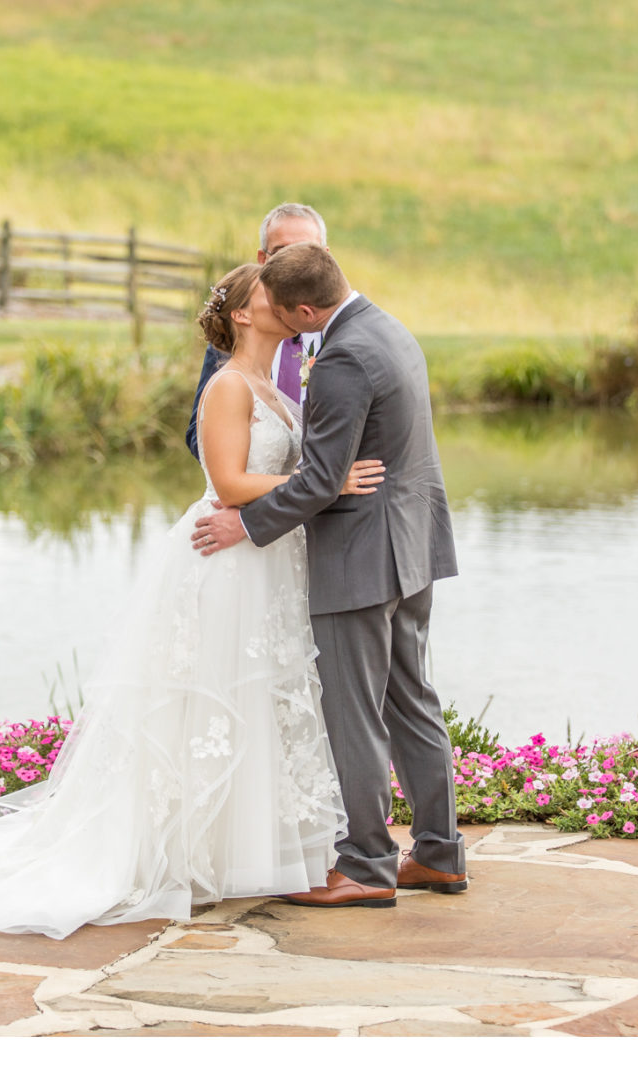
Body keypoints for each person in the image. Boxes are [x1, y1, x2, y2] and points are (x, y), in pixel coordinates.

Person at [0, 263, 389, 938]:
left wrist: (321, 478)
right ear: (244, 314)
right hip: (227, 557)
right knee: (210, 697)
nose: (283, 299)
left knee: (262, 697)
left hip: (270, 561)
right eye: (268, 292)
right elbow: (230, 481)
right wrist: (325, 484)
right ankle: (176, 849)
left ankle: (244, 850)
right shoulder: (226, 387)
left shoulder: (279, 388)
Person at [191, 243, 465, 908]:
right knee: (410, 700)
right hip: (410, 547)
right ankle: (438, 853)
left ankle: (369, 864)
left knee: (354, 715)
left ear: (308, 308)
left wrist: (246, 525)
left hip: (361, 558)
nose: (288, 329)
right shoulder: (387, 327)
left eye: (291, 317)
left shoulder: (342, 355)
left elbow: (319, 482)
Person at [185, 203, 329, 459]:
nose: (296, 266)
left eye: (307, 252)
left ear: (325, 258)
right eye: (283, 253)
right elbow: (198, 434)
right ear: (263, 260)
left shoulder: (338, 332)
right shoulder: (233, 340)